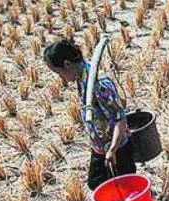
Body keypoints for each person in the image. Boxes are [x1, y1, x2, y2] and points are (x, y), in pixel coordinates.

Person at [43, 39, 135, 191]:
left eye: (59, 73)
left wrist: (112, 150)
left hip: (117, 148)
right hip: (100, 147)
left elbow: (120, 119)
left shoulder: (99, 84)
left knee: (127, 188)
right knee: (97, 183)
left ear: (67, 64)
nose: (61, 78)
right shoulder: (82, 79)